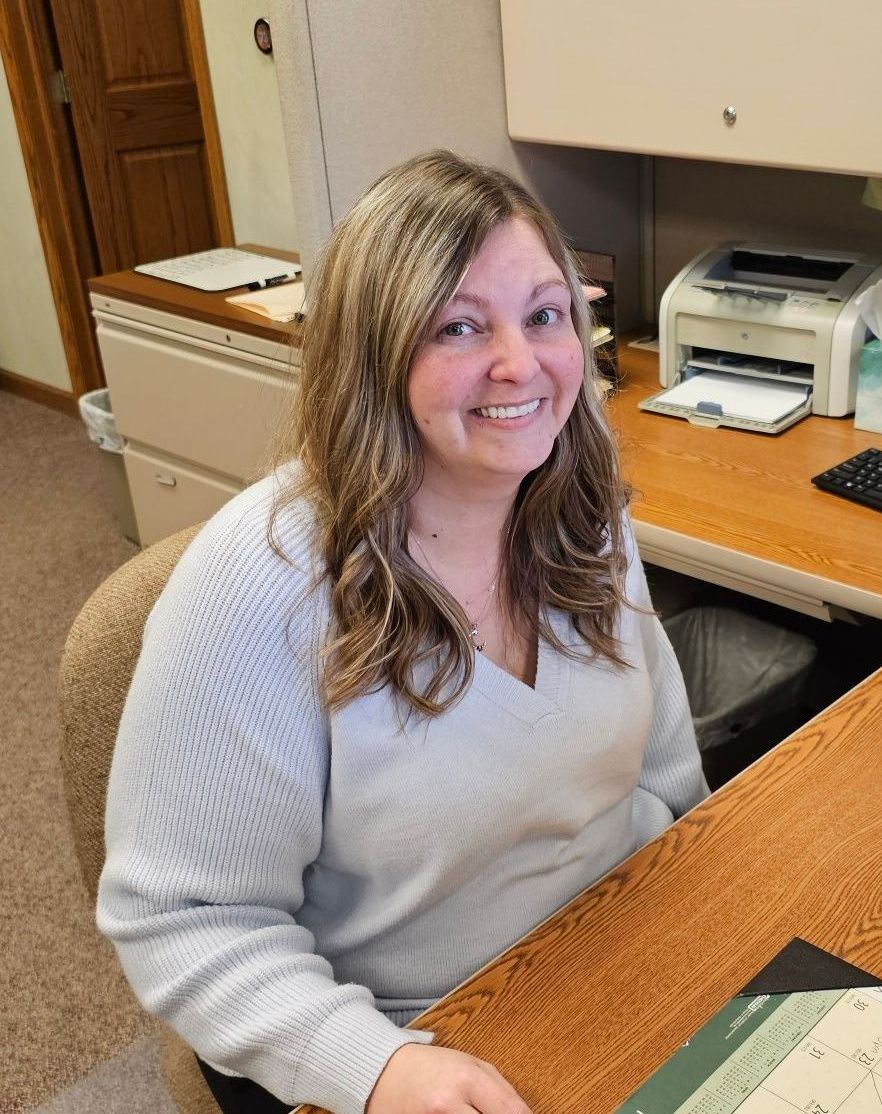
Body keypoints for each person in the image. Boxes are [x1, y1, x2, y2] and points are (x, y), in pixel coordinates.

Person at [97, 149, 707, 1114]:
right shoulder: (256, 590)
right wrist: (376, 1070)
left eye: (545, 315)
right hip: (415, 1035)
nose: (522, 364)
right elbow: (183, 921)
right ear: (373, 355)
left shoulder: (582, 512)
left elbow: (666, 766)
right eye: (460, 327)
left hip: (609, 950)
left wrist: (707, 910)